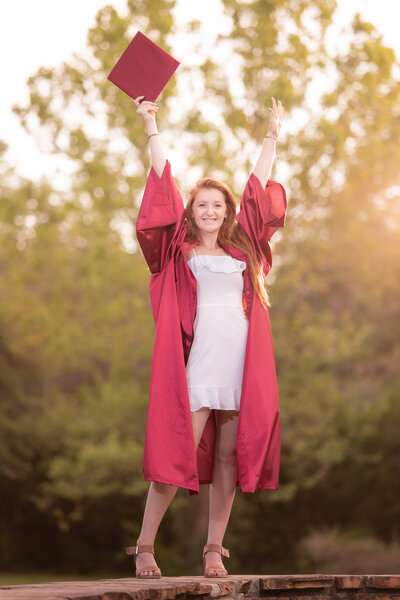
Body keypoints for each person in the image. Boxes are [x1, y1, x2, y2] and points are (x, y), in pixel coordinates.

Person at [125, 95, 286, 578]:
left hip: (240, 361)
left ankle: (214, 548)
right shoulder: (180, 250)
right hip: (200, 363)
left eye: (218, 205)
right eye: (202, 205)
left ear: (227, 211)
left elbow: (259, 192)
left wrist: (272, 137)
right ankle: (144, 545)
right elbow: (163, 192)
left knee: (228, 459)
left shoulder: (245, 251)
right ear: (192, 213)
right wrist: (151, 125)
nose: (210, 211)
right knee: (178, 450)